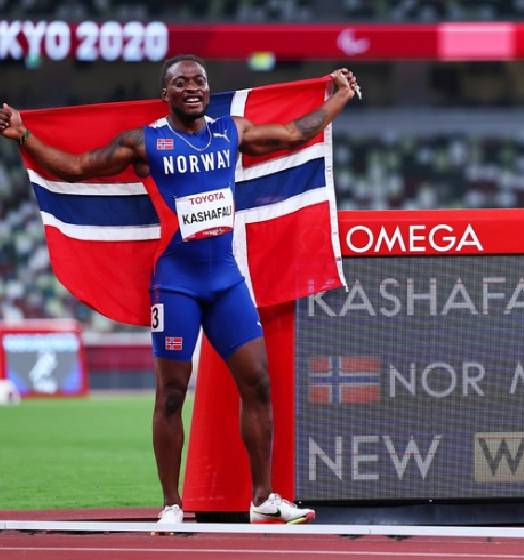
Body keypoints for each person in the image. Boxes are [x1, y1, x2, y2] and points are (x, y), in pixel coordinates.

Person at [0, 54, 359, 525]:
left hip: (227, 281)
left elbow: (294, 134)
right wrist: (25, 135)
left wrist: (339, 99)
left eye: (200, 81)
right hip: (177, 286)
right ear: (165, 93)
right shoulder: (145, 142)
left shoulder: (231, 131)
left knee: (258, 384)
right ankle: (171, 504)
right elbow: (77, 167)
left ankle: (263, 498)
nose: (193, 88)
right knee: (171, 394)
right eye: (182, 82)